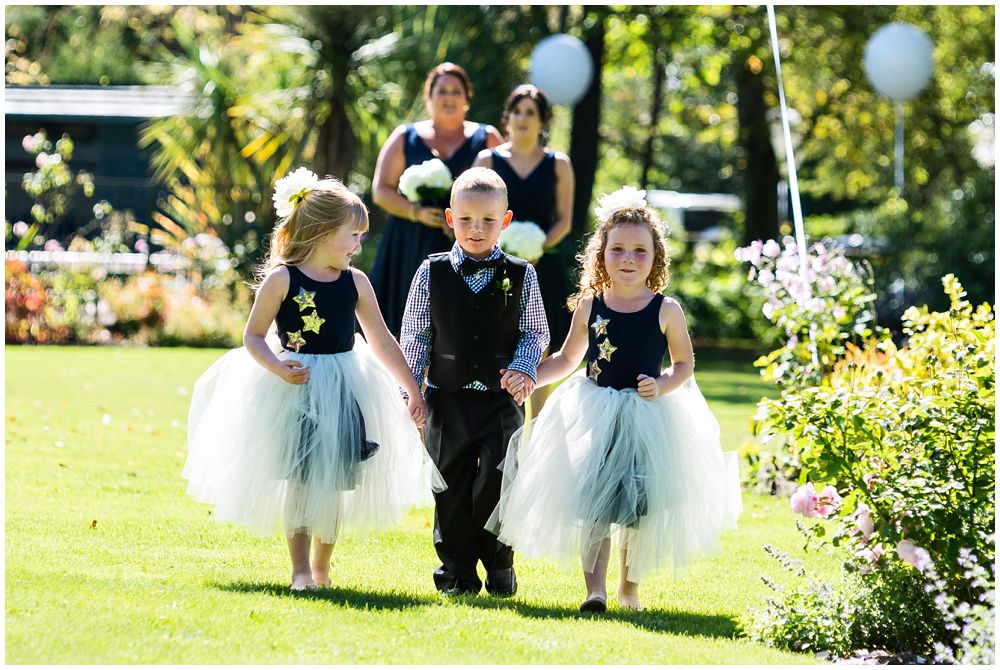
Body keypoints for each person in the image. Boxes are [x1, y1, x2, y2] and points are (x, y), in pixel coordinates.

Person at [183, 168, 442, 592]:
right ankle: (300, 569)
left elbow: (381, 340)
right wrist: (277, 366)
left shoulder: (355, 283)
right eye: (352, 235)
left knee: (334, 483)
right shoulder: (282, 278)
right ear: (321, 232)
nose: (359, 245)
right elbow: (252, 335)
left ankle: (323, 567)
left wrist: (411, 389)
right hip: (296, 390)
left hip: (343, 388)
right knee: (303, 482)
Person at [487, 187, 742, 612]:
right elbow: (569, 357)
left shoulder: (665, 310)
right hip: (594, 413)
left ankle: (629, 589)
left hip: (646, 419)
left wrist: (661, 385)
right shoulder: (591, 306)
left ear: (655, 258)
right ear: (600, 255)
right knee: (594, 505)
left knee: (638, 511)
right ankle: (595, 590)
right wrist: (529, 374)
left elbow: (684, 365)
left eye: (640, 251)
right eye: (618, 249)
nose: (628, 258)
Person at [400, 167, 549, 597]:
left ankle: (500, 563)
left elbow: (535, 331)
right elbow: (416, 336)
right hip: (445, 399)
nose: (476, 229)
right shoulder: (432, 273)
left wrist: (523, 368)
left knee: (500, 484)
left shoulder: (522, 275)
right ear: (450, 218)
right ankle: (457, 574)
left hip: (501, 402)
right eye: (465, 220)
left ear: (505, 221)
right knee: (449, 488)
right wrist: (411, 392)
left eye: (487, 220)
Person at [371, 62, 504, 337]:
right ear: (428, 98)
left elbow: (503, 189)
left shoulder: (487, 137)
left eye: (456, 91)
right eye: (441, 91)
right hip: (410, 241)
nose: (449, 97)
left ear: (467, 98)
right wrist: (415, 212)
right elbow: (381, 190)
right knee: (407, 322)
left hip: (469, 242)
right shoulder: (405, 137)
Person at [474, 84, 575, 353]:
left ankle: (541, 397)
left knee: (541, 341)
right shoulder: (487, 160)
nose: (522, 118)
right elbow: (471, 211)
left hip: (542, 263)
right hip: (494, 261)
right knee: (496, 335)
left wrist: (534, 250)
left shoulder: (559, 163)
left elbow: (564, 220)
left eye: (530, 112)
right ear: (507, 118)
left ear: (542, 120)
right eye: (516, 111)